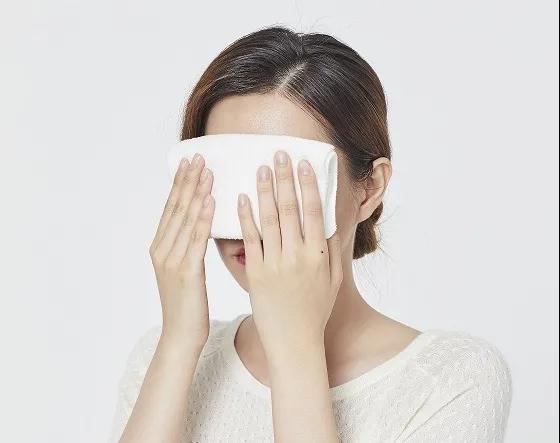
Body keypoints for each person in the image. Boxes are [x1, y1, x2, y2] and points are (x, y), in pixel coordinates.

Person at [110, 25, 512, 442]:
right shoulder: (163, 358)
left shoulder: (451, 381)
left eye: (284, 181)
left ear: (369, 188)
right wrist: (179, 343)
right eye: (228, 178)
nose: (253, 222)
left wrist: (295, 349)